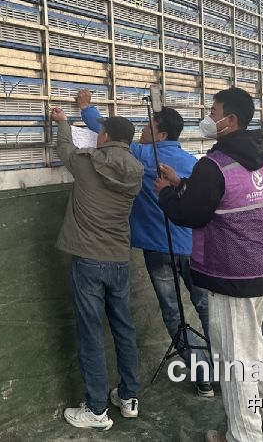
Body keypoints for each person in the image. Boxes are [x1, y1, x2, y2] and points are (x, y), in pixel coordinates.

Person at [154, 87, 263, 442]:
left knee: (234, 357)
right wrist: (182, 183)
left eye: (213, 112)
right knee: (251, 341)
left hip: (232, 273)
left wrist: (166, 194)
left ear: (229, 120)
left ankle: (243, 435)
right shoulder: (258, 158)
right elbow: (220, 194)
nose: (208, 118)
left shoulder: (213, 164)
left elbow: (191, 214)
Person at [76, 89, 215, 397]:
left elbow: (108, 132)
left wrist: (86, 108)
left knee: (173, 313)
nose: (142, 130)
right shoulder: (191, 162)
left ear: (161, 134)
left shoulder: (143, 155)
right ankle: (226, 370)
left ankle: (202, 376)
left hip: (158, 249)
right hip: (192, 247)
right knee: (205, 307)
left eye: (149, 127)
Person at [51, 106, 144, 431]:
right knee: (124, 328)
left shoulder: (87, 162)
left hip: (88, 260)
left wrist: (63, 122)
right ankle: (129, 398)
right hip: (119, 259)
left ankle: (96, 409)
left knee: (90, 332)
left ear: (104, 136)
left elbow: (64, 148)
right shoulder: (137, 170)